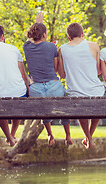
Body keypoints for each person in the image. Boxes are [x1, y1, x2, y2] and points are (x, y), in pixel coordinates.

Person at [23, 13, 71, 146]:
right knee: (64, 104)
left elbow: (30, 39)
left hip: (36, 90)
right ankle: (68, 135)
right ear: (44, 35)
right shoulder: (51, 47)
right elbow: (56, 69)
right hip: (53, 86)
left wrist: (38, 22)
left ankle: (50, 135)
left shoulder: (26, 47)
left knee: (44, 109)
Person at [57, 23, 105, 149]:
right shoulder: (94, 46)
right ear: (82, 34)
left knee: (80, 107)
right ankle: (89, 137)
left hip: (76, 92)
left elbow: (61, 74)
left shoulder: (62, 49)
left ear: (69, 37)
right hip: (96, 91)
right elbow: (99, 71)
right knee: (98, 102)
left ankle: (89, 138)